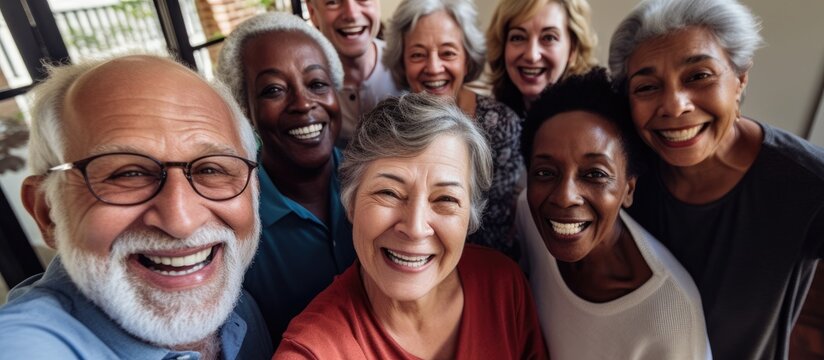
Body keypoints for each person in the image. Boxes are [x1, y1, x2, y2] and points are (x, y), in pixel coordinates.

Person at [0, 54, 272, 358]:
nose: (181, 221)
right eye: (127, 174)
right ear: (47, 212)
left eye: (211, 170)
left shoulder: (237, 305)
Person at [608, 0, 824, 358]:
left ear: (740, 79)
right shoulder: (628, 174)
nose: (675, 105)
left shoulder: (806, 182)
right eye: (647, 87)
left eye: (698, 76)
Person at [275, 93, 548, 359]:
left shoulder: (504, 286)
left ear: (470, 217)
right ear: (351, 203)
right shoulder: (311, 351)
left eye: (445, 199)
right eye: (389, 193)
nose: (415, 228)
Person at [517, 68, 711, 359]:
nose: (565, 197)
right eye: (545, 172)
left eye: (595, 174)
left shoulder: (672, 315)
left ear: (628, 189)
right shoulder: (529, 217)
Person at [215, 12, 356, 343]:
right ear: (244, 109)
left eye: (317, 84)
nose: (304, 103)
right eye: (274, 90)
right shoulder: (232, 224)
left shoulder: (380, 182)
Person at [384, 0, 524, 257]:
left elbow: (495, 227)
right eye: (417, 54)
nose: (434, 67)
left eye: (448, 53)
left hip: (482, 266)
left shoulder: (502, 124)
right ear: (402, 63)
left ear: (467, 60)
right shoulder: (388, 126)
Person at [307, 0, 404, 145]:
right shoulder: (302, 81)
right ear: (313, 13)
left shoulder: (407, 62)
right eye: (333, 2)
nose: (352, 14)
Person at [486, 0, 597, 116]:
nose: (532, 56)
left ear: (573, 49)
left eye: (549, 38)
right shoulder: (489, 117)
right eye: (518, 37)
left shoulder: (588, 121)